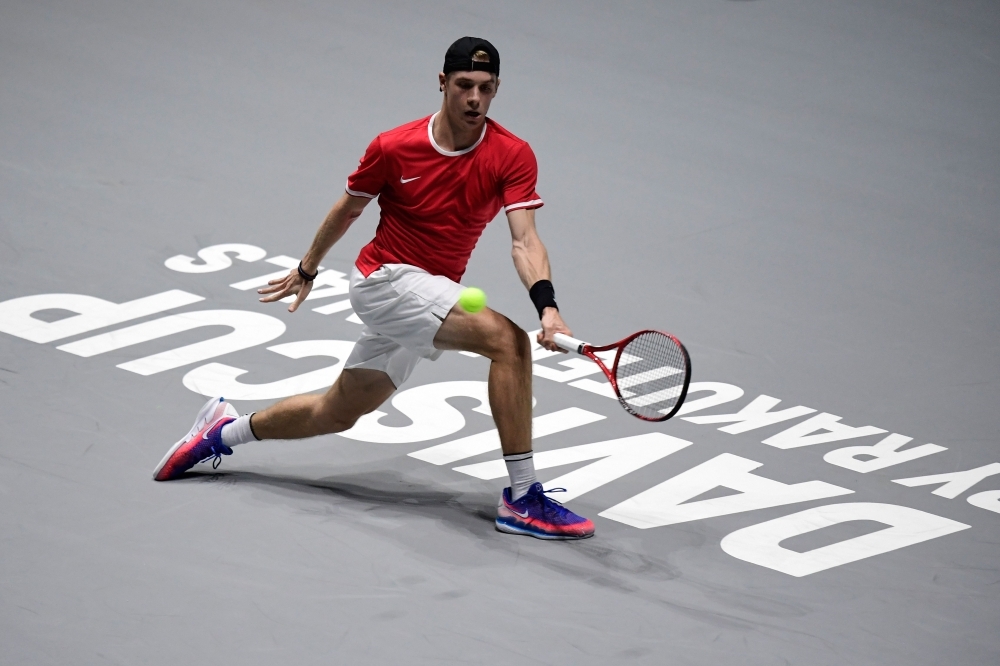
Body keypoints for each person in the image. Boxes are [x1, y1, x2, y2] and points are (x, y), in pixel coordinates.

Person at [152, 37, 594, 540]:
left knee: (338, 411)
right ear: (443, 82)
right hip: (385, 281)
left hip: (431, 291)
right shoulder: (394, 146)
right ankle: (522, 497)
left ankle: (221, 430)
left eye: (486, 89)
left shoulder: (512, 154)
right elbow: (348, 210)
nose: (475, 98)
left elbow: (525, 240)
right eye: (465, 85)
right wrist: (308, 267)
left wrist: (549, 308)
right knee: (508, 343)